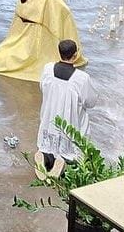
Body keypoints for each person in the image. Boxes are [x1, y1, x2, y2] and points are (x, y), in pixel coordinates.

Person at [35, 39, 97, 176]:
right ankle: (64, 162)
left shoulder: (48, 69)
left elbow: (42, 87)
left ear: (59, 53)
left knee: (48, 144)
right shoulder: (81, 78)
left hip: (49, 116)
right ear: (75, 55)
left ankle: (45, 157)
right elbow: (91, 102)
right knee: (74, 148)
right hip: (69, 120)